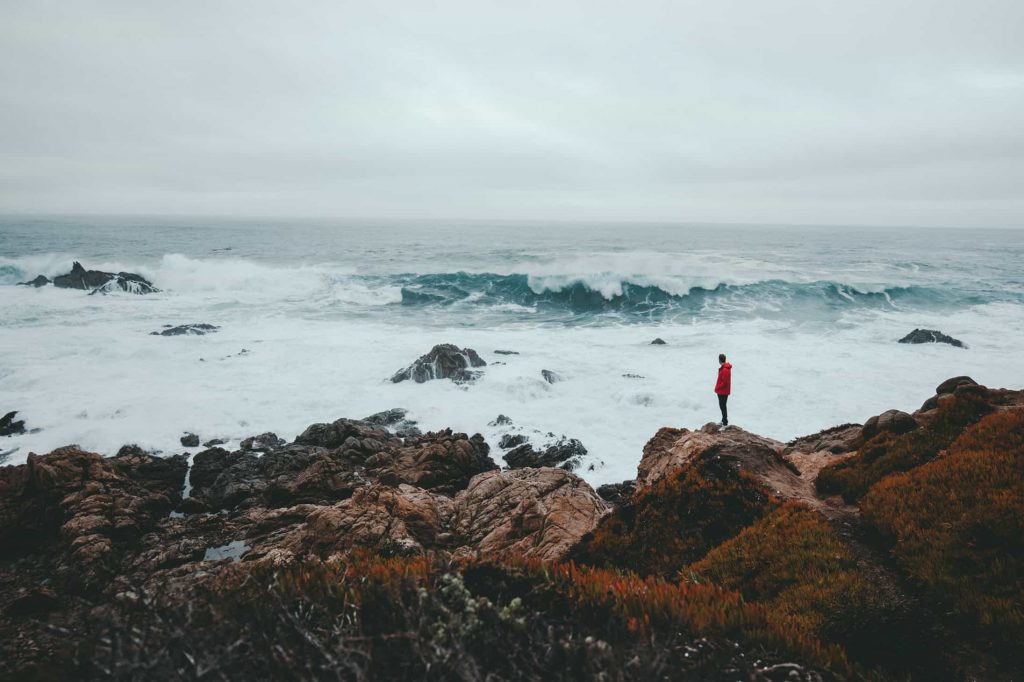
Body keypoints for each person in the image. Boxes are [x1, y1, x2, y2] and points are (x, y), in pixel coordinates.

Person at [715, 353, 731, 426]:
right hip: (722, 391)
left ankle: (725, 423)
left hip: (723, 392)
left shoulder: (725, 369)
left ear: (719, 360)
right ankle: (723, 420)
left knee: (723, 407)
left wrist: (717, 387)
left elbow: (724, 383)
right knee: (722, 406)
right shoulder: (724, 368)